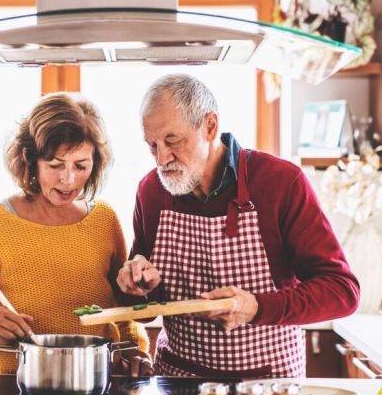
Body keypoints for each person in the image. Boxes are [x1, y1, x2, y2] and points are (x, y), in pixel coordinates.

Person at [117, 73, 359, 378]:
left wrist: (256, 307)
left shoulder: (281, 182)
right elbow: (143, 304)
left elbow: (342, 291)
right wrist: (138, 287)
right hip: (177, 380)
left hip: (267, 384)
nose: (162, 159)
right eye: (152, 145)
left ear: (210, 126)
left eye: (172, 141)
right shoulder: (151, 191)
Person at [0, 92, 152, 376]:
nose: (68, 179)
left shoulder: (104, 220)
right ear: (30, 160)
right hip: (15, 387)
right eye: (55, 165)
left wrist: (136, 350)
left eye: (81, 165)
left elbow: (123, 313)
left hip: (96, 383)